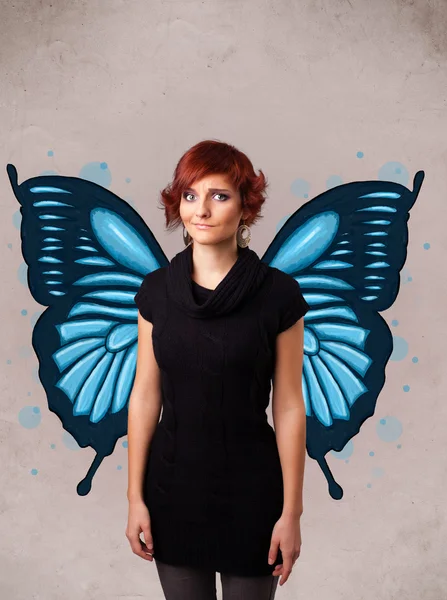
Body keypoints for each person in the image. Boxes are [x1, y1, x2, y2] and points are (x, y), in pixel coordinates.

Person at [125, 140, 309, 600]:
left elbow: (288, 406)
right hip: (172, 492)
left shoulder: (279, 296)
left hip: (253, 495)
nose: (201, 210)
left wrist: (292, 513)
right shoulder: (155, 293)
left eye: (219, 196)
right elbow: (145, 396)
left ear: (246, 208)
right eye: (190, 196)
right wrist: (134, 499)